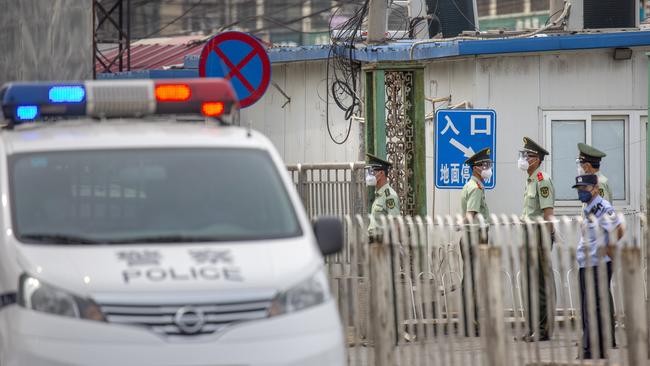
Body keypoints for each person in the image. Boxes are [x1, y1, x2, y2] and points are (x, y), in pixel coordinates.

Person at [573, 174, 624, 360]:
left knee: (593, 308)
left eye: (585, 188)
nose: (581, 192)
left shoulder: (603, 208)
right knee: (588, 308)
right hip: (585, 264)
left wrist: (608, 248)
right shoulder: (589, 209)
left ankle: (590, 348)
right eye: (579, 189)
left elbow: (619, 228)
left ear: (595, 188)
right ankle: (596, 348)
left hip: (598, 265)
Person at [517, 136, 556, 342]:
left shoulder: (542, 179)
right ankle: (532, 327)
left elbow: (548, 213)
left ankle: (543, 328)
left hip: (539, 235)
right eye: (523, 154)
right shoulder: (531, 179)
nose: (523, 158)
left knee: (540, 282)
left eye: (527, 155)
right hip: (527, 234)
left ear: (536, 159)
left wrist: (547, 240)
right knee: (529, 281)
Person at [459, 147, 492, 337]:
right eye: (485, 165)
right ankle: (472, 323)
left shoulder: (471, 185)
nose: (488, 168)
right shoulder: (476, 188)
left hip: (471, 236)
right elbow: (470, 215)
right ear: (476, 168)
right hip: (475, 236)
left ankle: (468, 322)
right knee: (473, 281)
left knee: (469, 279)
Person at [366, 153, 400, 236]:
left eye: (371, 172)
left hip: (382, 244)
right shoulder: (379, 194)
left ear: (381, 174)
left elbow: (395, 224)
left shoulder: (389, 196)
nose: (369, 175)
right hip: (373, 242)